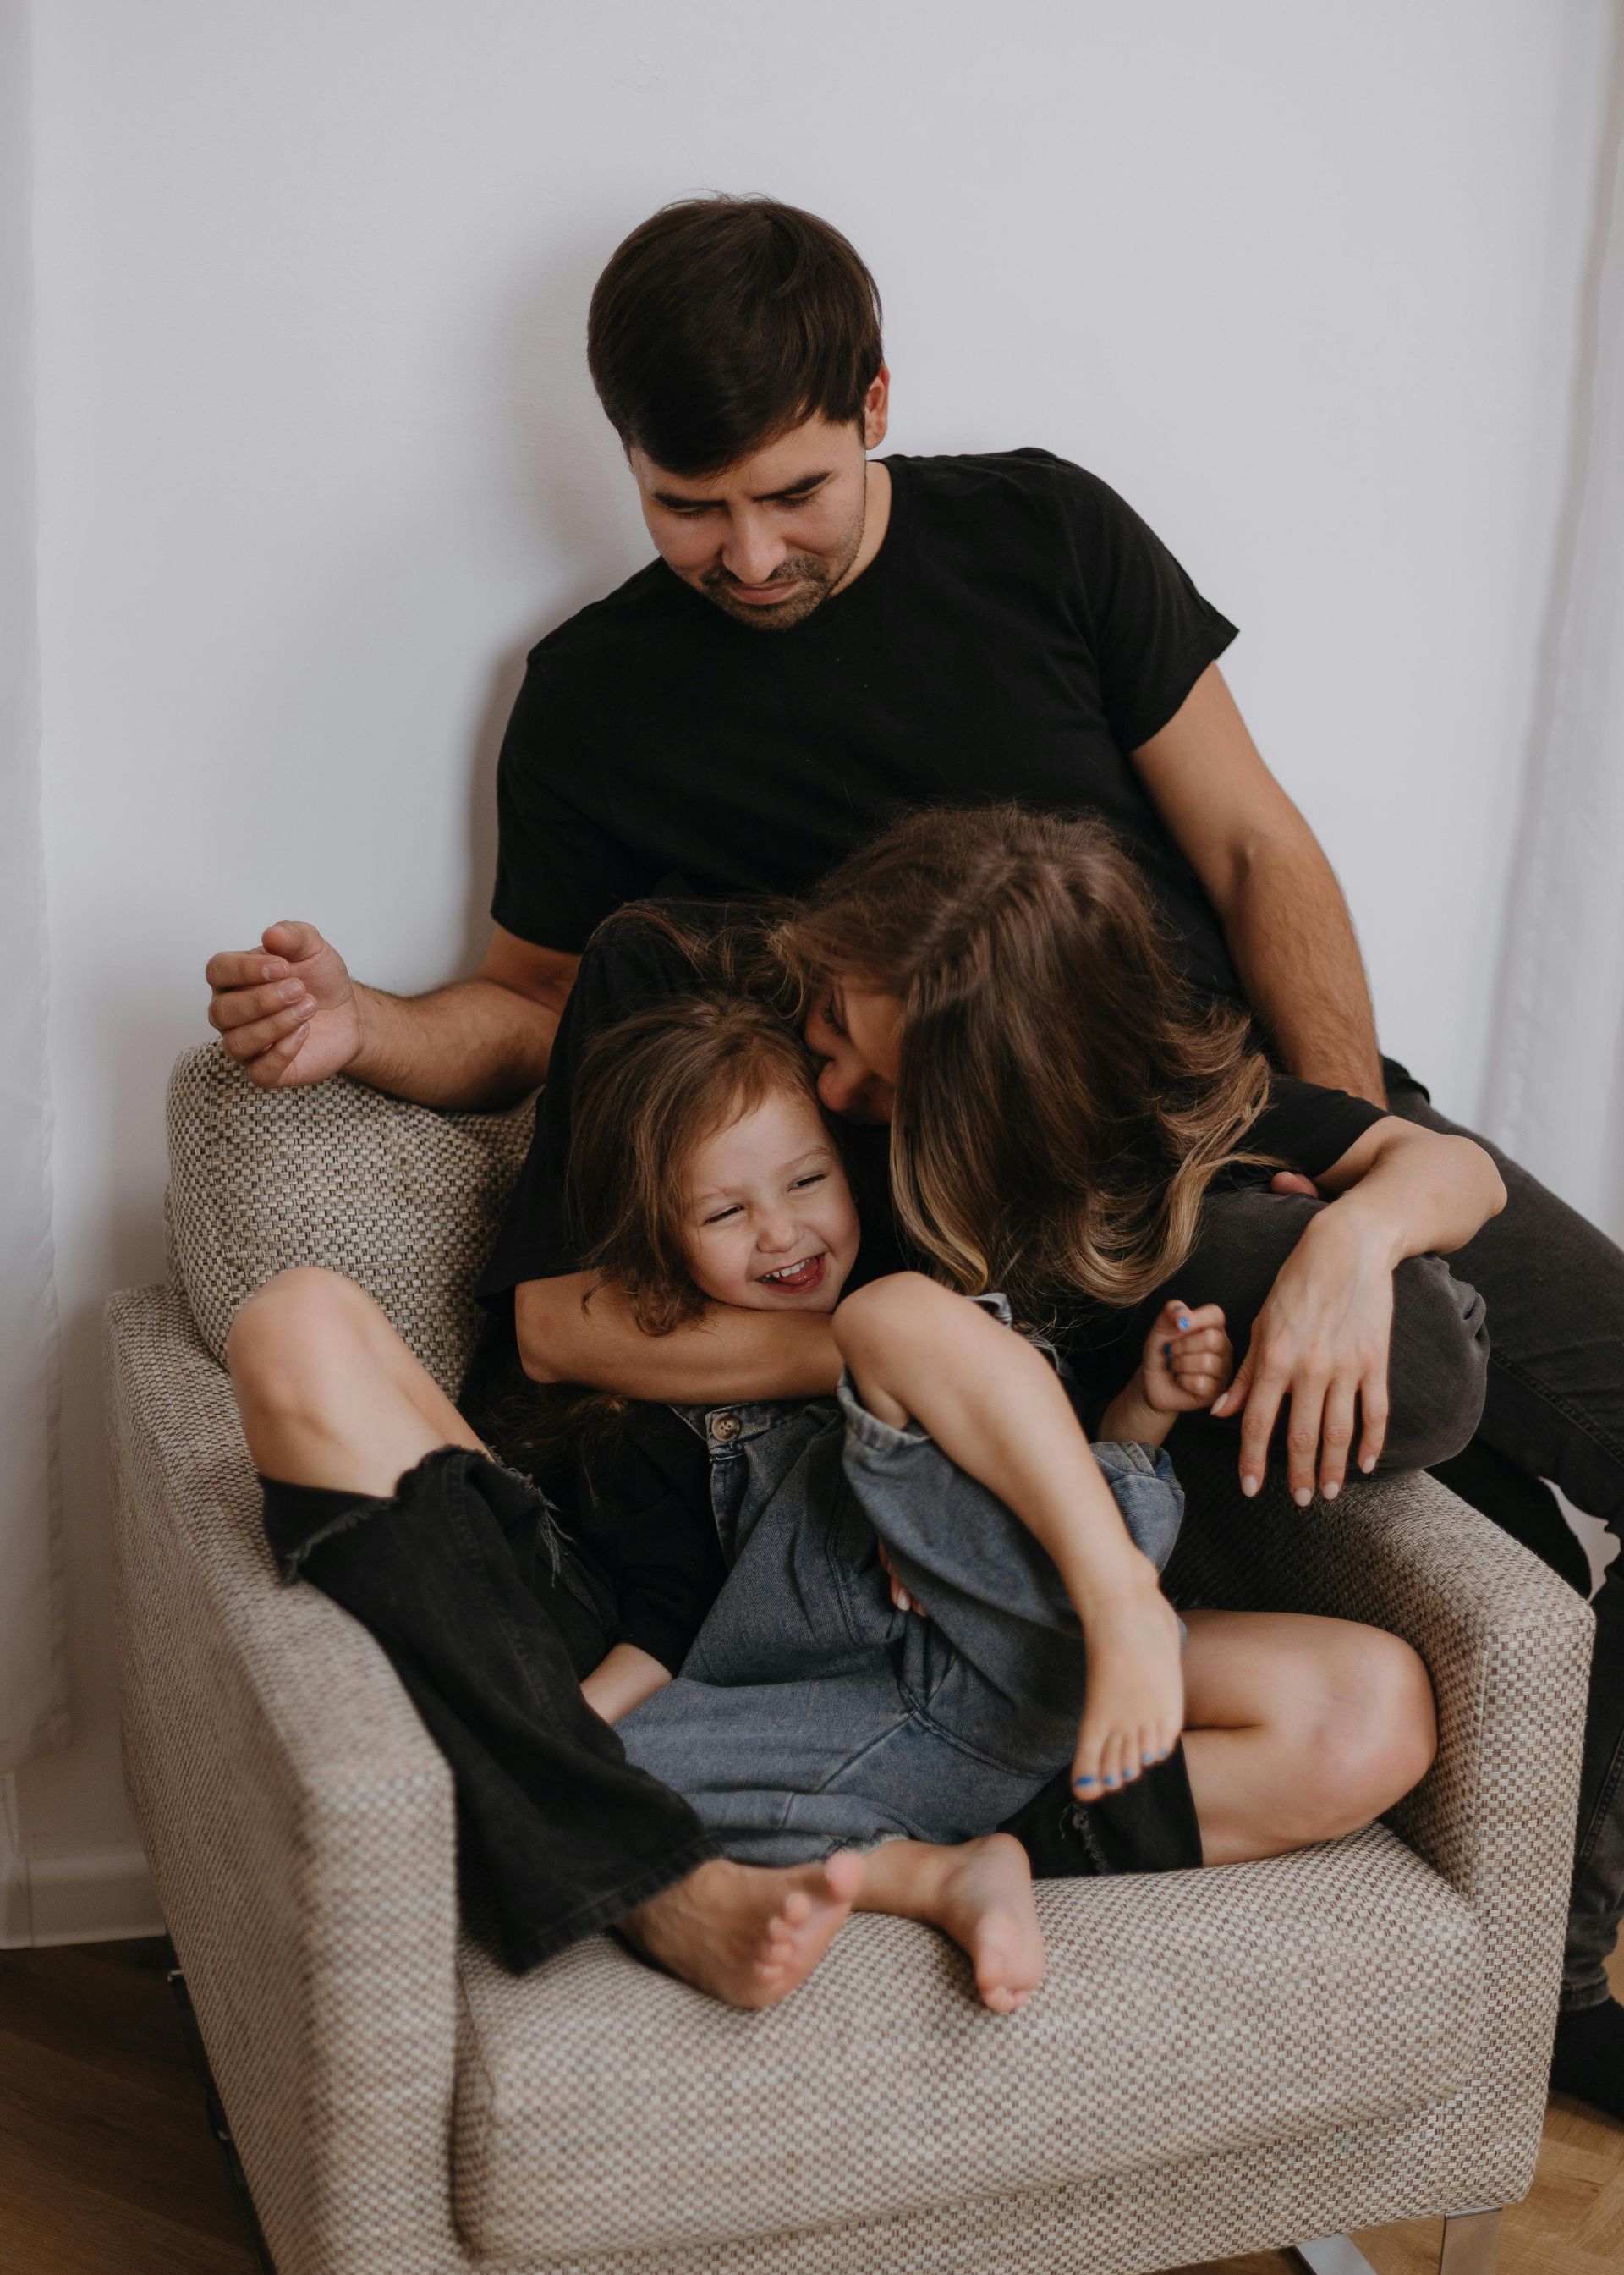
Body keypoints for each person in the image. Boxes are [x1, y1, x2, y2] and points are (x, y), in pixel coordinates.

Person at [201, 195, 1624, 2111]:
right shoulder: (608, 714)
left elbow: (1258, 854)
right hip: (985, 1256)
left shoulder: (1042, 537)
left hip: (1199, 1133)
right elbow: (536, 1010)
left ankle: (1555, 1935)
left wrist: (1339, 1177)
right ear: (623, 456)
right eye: (688, 504)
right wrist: (367, 1025)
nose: (748, 551)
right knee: (1443, 1457)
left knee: (1446, 1389)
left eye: (789, 489)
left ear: (874, 401)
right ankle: (1531, 1999)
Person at [227, 814, 1493, 2009]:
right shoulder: (703, 1005)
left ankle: (895, 1832)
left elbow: (1456, 1170)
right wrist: (915, 1387)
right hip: (684, 1640)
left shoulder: (1110, 1116)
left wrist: (1353, 1243)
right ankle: (668, 1877)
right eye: (832, 1017)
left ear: (980, 1099)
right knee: (291, 1324)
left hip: (934, 1652)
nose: (826, 1075)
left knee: (1372, 1707)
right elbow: (556, 1330)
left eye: (870, 1080)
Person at [522, 986, 1438, 2015]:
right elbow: (667, 1624)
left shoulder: (915, 1308)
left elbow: (1053, 1494)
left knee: (1378, 1709)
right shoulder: (651, 1429)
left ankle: (1098, 1650)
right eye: (726, 1213)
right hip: (863, 1716)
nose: (782, 1230)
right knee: (562, 1789)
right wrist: (562, 1736)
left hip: (1040, 1639)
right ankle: (954, 1859)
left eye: (809, 1179)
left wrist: (1145, 1403)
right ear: (659, 1239)